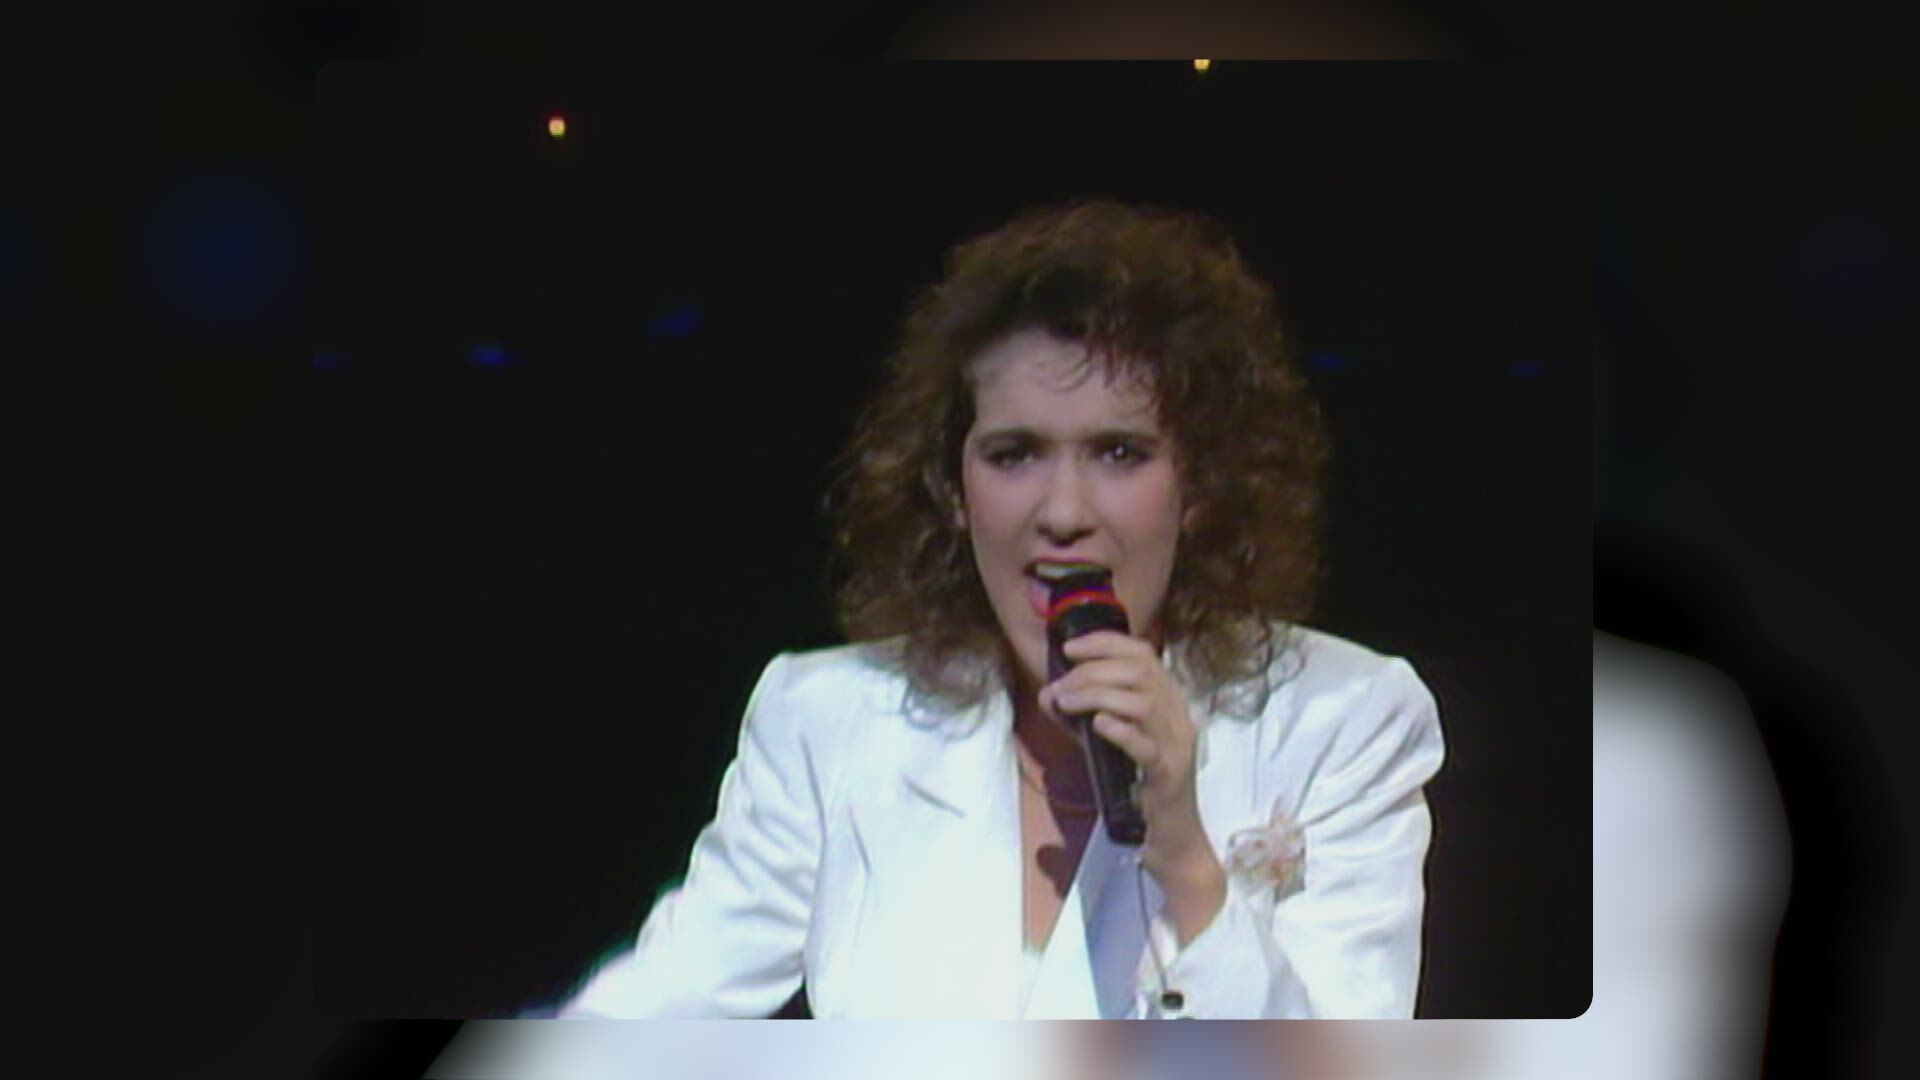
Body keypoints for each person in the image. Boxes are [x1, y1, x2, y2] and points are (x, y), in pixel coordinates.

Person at [551, 199, 1445, 1019]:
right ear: (953, 487)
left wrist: (1183, 852)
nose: (1063, 512)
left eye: (1119, 453)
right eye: (1015, 454)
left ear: (1202, 484)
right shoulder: (826, 721)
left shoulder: (1346, 719)